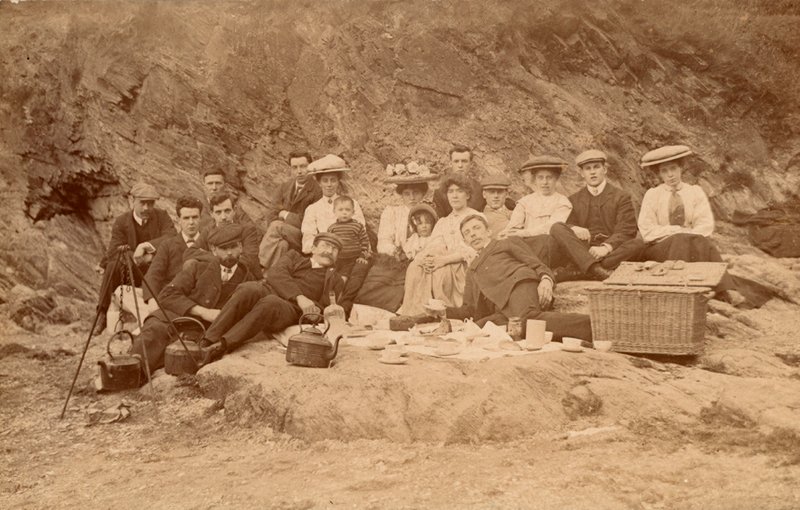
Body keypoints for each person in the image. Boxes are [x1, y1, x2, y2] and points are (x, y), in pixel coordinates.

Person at [129, 223, 257, 376]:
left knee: (182, 354)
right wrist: (203, 312)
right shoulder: (197, 267)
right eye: (223, 248)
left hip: (206, 331)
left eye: (233, 247)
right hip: (177, 317)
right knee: (152, 334)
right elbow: (167, 295)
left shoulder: (247, 278)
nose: (229, 253)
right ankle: (128, 374)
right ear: (214, 250)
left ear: (241, 247)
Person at [196, 232, 346, 361]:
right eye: (325, 246)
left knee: (270, 302)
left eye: (334, 249)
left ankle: (221, 346)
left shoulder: (335, 279)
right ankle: (207, 340)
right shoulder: (294, 256)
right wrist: (299, 297)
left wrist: (311, 309)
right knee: (248, 288)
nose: (329, 251)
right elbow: (276, 273)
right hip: (271, 290)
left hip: (290, 310)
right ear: (313, 248)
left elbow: (325, 308)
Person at [447, 214, 593, 341]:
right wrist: (441, 311)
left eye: (476, 228)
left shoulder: (505, 243)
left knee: (525, 320)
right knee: (478, 328)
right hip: (501, 308)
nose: (472, 234)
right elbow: (468, 310)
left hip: (519, 285)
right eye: (467, 233)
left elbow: (535, 263)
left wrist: (546, 279)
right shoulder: (471, 270)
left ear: (489, 232)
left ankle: (594, 326)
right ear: (465, 241)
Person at [637, 145, 746, 304]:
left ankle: (711, 289)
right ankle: (720, 288)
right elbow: (647, 230)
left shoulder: (694, 192)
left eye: (673, 168)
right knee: (683, 239)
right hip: (660, 248)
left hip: (691, 242)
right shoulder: (653, 195)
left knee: (699, 240)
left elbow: (705, 225)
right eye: (664, 171)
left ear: (681, 168)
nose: (670, 175)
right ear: (659, 174)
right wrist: (677, 231)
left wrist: (687, 235)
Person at [92, 182, 175, 336]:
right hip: (133, 273)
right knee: (112, 266)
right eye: (142, 203)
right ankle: (101, 314)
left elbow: (171, 237)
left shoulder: (161, 216)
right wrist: (139, 258)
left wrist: (146, 246)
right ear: (132, 201)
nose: (146, 208)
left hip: (155, 270)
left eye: (150, 203)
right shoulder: (122, 221)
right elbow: (114, 251)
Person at [549, 149, 644, 281]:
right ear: (582, 173)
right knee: (556, 227)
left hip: (611, 252)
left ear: (604, 169)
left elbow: (626, 230)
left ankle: (581, 271)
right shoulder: (573, 200)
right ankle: (597, 270)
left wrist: (606, 247)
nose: (592, 172)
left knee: (639, 243)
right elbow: (567, 229)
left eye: (596, 167)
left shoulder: (621, 197)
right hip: (584, 250)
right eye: (587, 169)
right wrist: (574, 228)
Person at [354, 173, 436, 312]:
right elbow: (383, 241)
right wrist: (397, 252)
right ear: (401, 195)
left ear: (423, 193)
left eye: (416, 193)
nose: (412, 198)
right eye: (407, 194)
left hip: (421, 260)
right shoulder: (392, 212)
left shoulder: (430, 213)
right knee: (375, 285)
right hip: (394, 260)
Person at [425, 173, 484, 307]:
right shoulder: (443, 222)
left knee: (441, 272)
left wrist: (444, 260)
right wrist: (430, 259)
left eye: (459, 191)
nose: (454, 196)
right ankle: (417, 309)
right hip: (444, 265)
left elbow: (475, 250)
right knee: (420, 267)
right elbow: (434, 245)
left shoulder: (476, 217)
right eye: (450, 192)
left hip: (468, 268)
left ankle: (446, 309)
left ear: (467, 195)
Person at [500, 155, 572, 263]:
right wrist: (506, 233)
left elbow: (551, 228)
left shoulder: (563, 202)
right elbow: (513, 227)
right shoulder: (524, 202)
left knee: (546, 240)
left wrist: (523, 233)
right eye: (540, 178)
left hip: (551, 247)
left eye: (549, 177)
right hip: (529, 245)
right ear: (534, 179)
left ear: (556, 179)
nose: (544, 182)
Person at [258, 151, 322, 271]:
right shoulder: (284, 187)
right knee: (282, 244)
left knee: (277, 226)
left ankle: (258, 266)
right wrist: (288, 220)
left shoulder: (317, 191)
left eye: (303, 166)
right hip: (283, 235)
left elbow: (310, 223)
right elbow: (271, 215)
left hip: (304, 237)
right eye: (294, 167)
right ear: (290, 169)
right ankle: (271, 274)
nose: (299, 171)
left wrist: (285, 214)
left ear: (310, 166)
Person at [142, 196, 208, 303]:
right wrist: (151, 300)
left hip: (200, 298)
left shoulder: (209, 243)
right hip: (170, 298)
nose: (191, 222)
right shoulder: (168, 245)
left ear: (200, 218)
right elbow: (153, 274)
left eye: (195, 217)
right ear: (178, 220)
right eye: (186, 218)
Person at [300, 154, 366, 254]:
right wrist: (322, 249)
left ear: (338, 182)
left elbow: (361, 231)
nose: (329, 185)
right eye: (325, 181)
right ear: (319, 183)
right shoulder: (312, 209)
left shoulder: (352, 204)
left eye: (333, 180)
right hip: (324, 254)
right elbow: (308, 239)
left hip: (350, 251)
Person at [187, 191, 262, 276]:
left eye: (227, 211)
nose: (223, 217)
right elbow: (190, 252)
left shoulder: (247, 229)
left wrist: (220, 260)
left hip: (245, 275)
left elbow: (249, 258)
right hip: (218, 275)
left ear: (234, 210)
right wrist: (218, 258)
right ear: (212, 214)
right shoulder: (208, 230)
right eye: (218, 212)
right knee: (191, 263)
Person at [396, 204, 443, 315]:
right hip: (415, 265)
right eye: (420, 223)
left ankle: (423, 307)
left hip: (430, 264)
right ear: (415, 225)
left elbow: (436, 251)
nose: (424, 226)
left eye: (427, 223)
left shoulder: (435, 238)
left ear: (433, 224)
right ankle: (409, 306)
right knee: (413, 275)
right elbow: (408, 254)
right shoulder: (414, 239)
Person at [326, 195, 371, 312]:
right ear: (334, 212)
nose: (344, 213)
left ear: (353, 212)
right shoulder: (332, 228)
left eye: (348, 210)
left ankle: (342, 300)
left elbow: (365, 242)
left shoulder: (357, 226)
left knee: (345, 278)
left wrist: (362, 256)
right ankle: (330, 300)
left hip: (352, 258)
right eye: (340, 210)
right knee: (332, 278)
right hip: (337, 259)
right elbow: (330, 244)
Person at [432, 145, 486, 218]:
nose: (460, 165)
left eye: (464, 161)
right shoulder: (440, 190)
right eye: (456, 161)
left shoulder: (479, 189)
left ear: (471, 164)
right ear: (450, 164)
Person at [198, 169, 256, 234]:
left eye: (218, 183)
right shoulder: (198, 208)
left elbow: (250, 230)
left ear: (225, 186)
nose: (214, 188)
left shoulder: (236, 208)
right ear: (204, 186)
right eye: (210, 184)